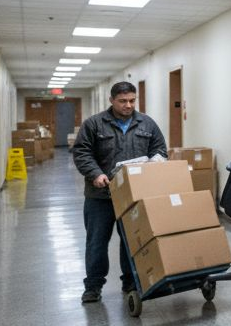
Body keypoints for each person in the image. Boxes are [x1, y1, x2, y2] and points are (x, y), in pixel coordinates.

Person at [71, 81, 166, 303]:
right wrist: (95, 174)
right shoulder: (94, 124)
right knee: (97, 242)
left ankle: (131, 282)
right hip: (100, 197)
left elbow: (160, 149)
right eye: (123, 101)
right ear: (112, 100)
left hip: (133, 197)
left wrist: (155, 164)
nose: (128, 105)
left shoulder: (147, 124)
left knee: (132, 241)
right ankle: (93, 286)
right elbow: (82, 152)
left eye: (132, 100)